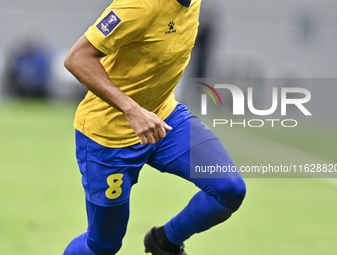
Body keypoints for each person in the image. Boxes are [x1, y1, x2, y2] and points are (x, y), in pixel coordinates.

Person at [62, 0, 246, 254]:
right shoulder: (138, 5)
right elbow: (77, 58)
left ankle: (165, 243)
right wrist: (132, 110)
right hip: (108, 136)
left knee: (229, 189)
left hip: (165, 118)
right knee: (104, 244)